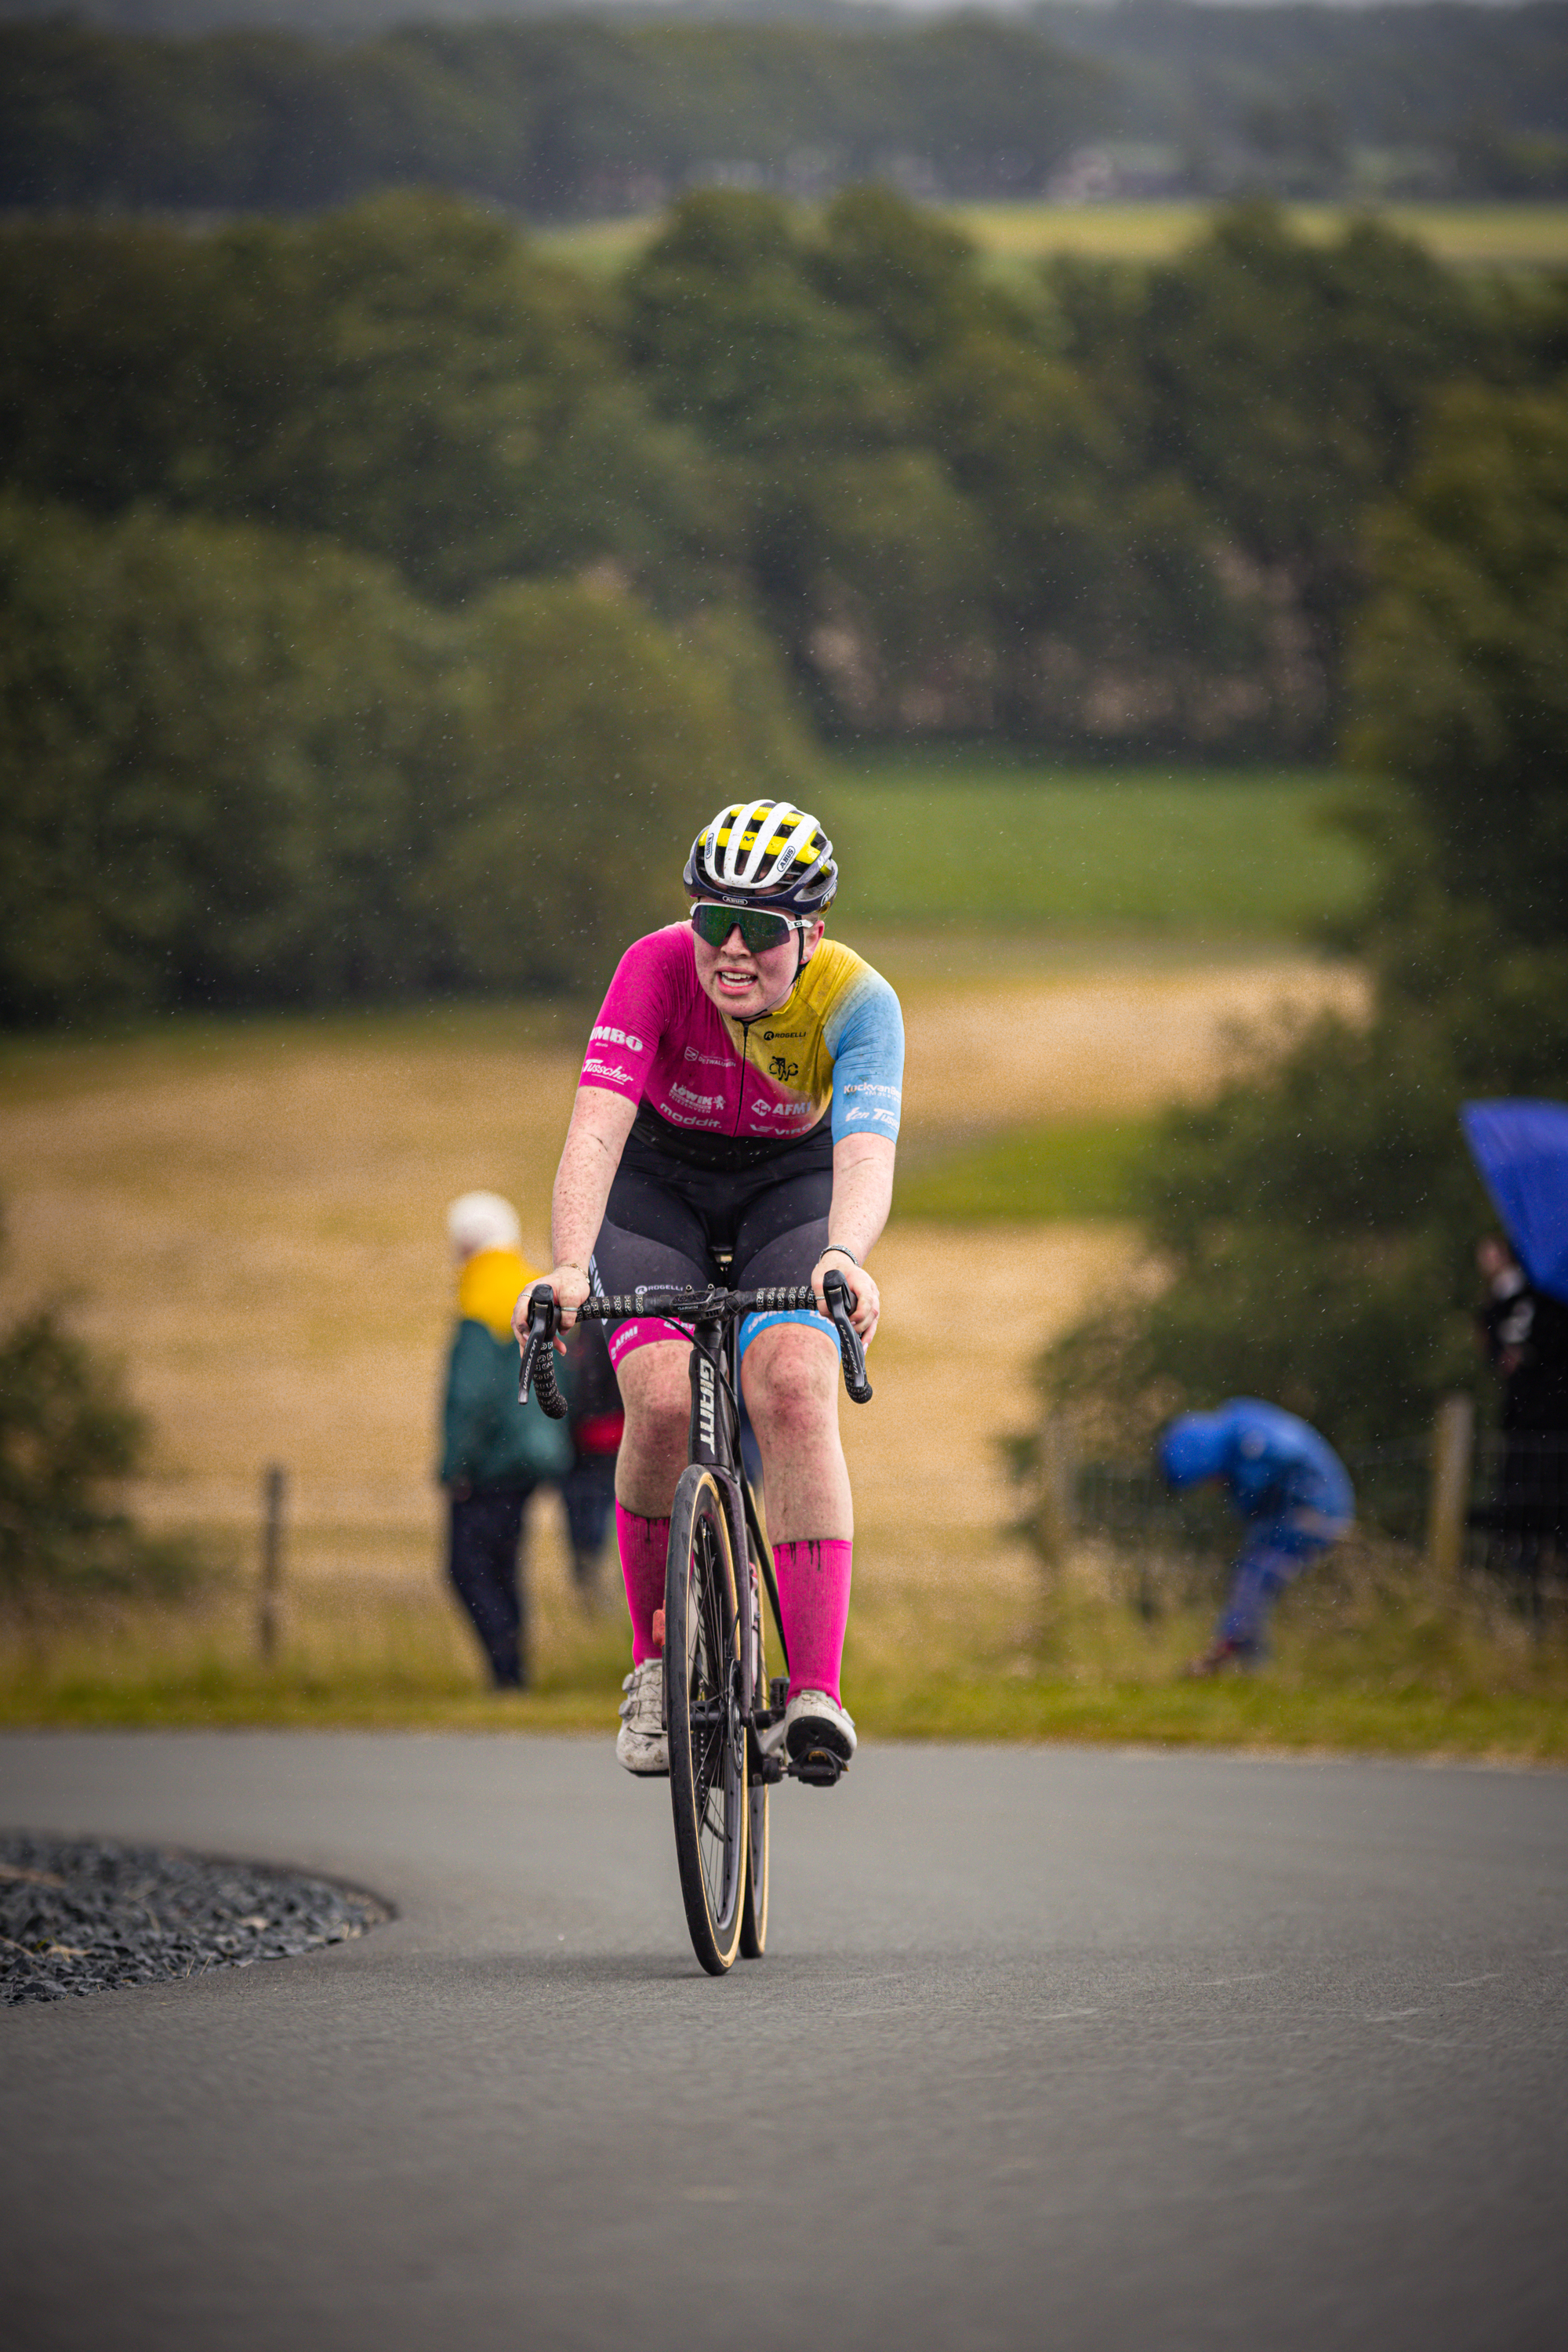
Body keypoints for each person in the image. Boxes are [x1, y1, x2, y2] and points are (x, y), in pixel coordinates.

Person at [514, 798, 902, 1777]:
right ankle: (653, 1670)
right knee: (659, 1401)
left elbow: (862, 1153)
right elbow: (596, 1128)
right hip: (657, 1190)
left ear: (809, 933)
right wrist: (568, 1264)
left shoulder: (860, 1003)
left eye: (760, 929)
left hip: (789, 1192)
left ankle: (813, 1695)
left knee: (792, 1392)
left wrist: (844, 1257)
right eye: (710, 919)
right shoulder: (651, 968)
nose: (730, 949)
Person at [440, 1192, 572, 1690]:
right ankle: (513, 1670)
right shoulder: (528, 1286)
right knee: (505, 1565)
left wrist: (456, 1467)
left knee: (467, 1568)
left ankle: (507, 1673)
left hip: (488, 1465)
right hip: (534, 1457)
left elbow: (469, 1395)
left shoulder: (479, 1296)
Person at [1157, 1398, 1354, 1675]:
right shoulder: (1239, 1433)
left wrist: (1253, 1462)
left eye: (1208, 1479)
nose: (1211, 1488)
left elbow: (1289, 1455)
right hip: (1289, 1518)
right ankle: (1247, 1663)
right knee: (1250, 1577)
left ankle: (1235, 1657)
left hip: (1315, 1512)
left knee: (1257, 1576)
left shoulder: (1249, 1438)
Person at [1474, 1233, 1568, 1584]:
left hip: (1549, 1416)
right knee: (1524, 1481)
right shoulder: (1500, 1304)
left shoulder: (1543, 1299)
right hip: (1524, 1417)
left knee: (1544, 1482)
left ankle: (1534, 1552)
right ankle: (1524, 1554)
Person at [557, 1315, 623, 1608]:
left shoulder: (591, 1327)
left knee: (588, 1512)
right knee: (600, 1510)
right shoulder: (607, 1324)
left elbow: (586, 1385)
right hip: (603, 1438)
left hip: (592, 1439)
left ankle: (592, 1580)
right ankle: (598, 1581)